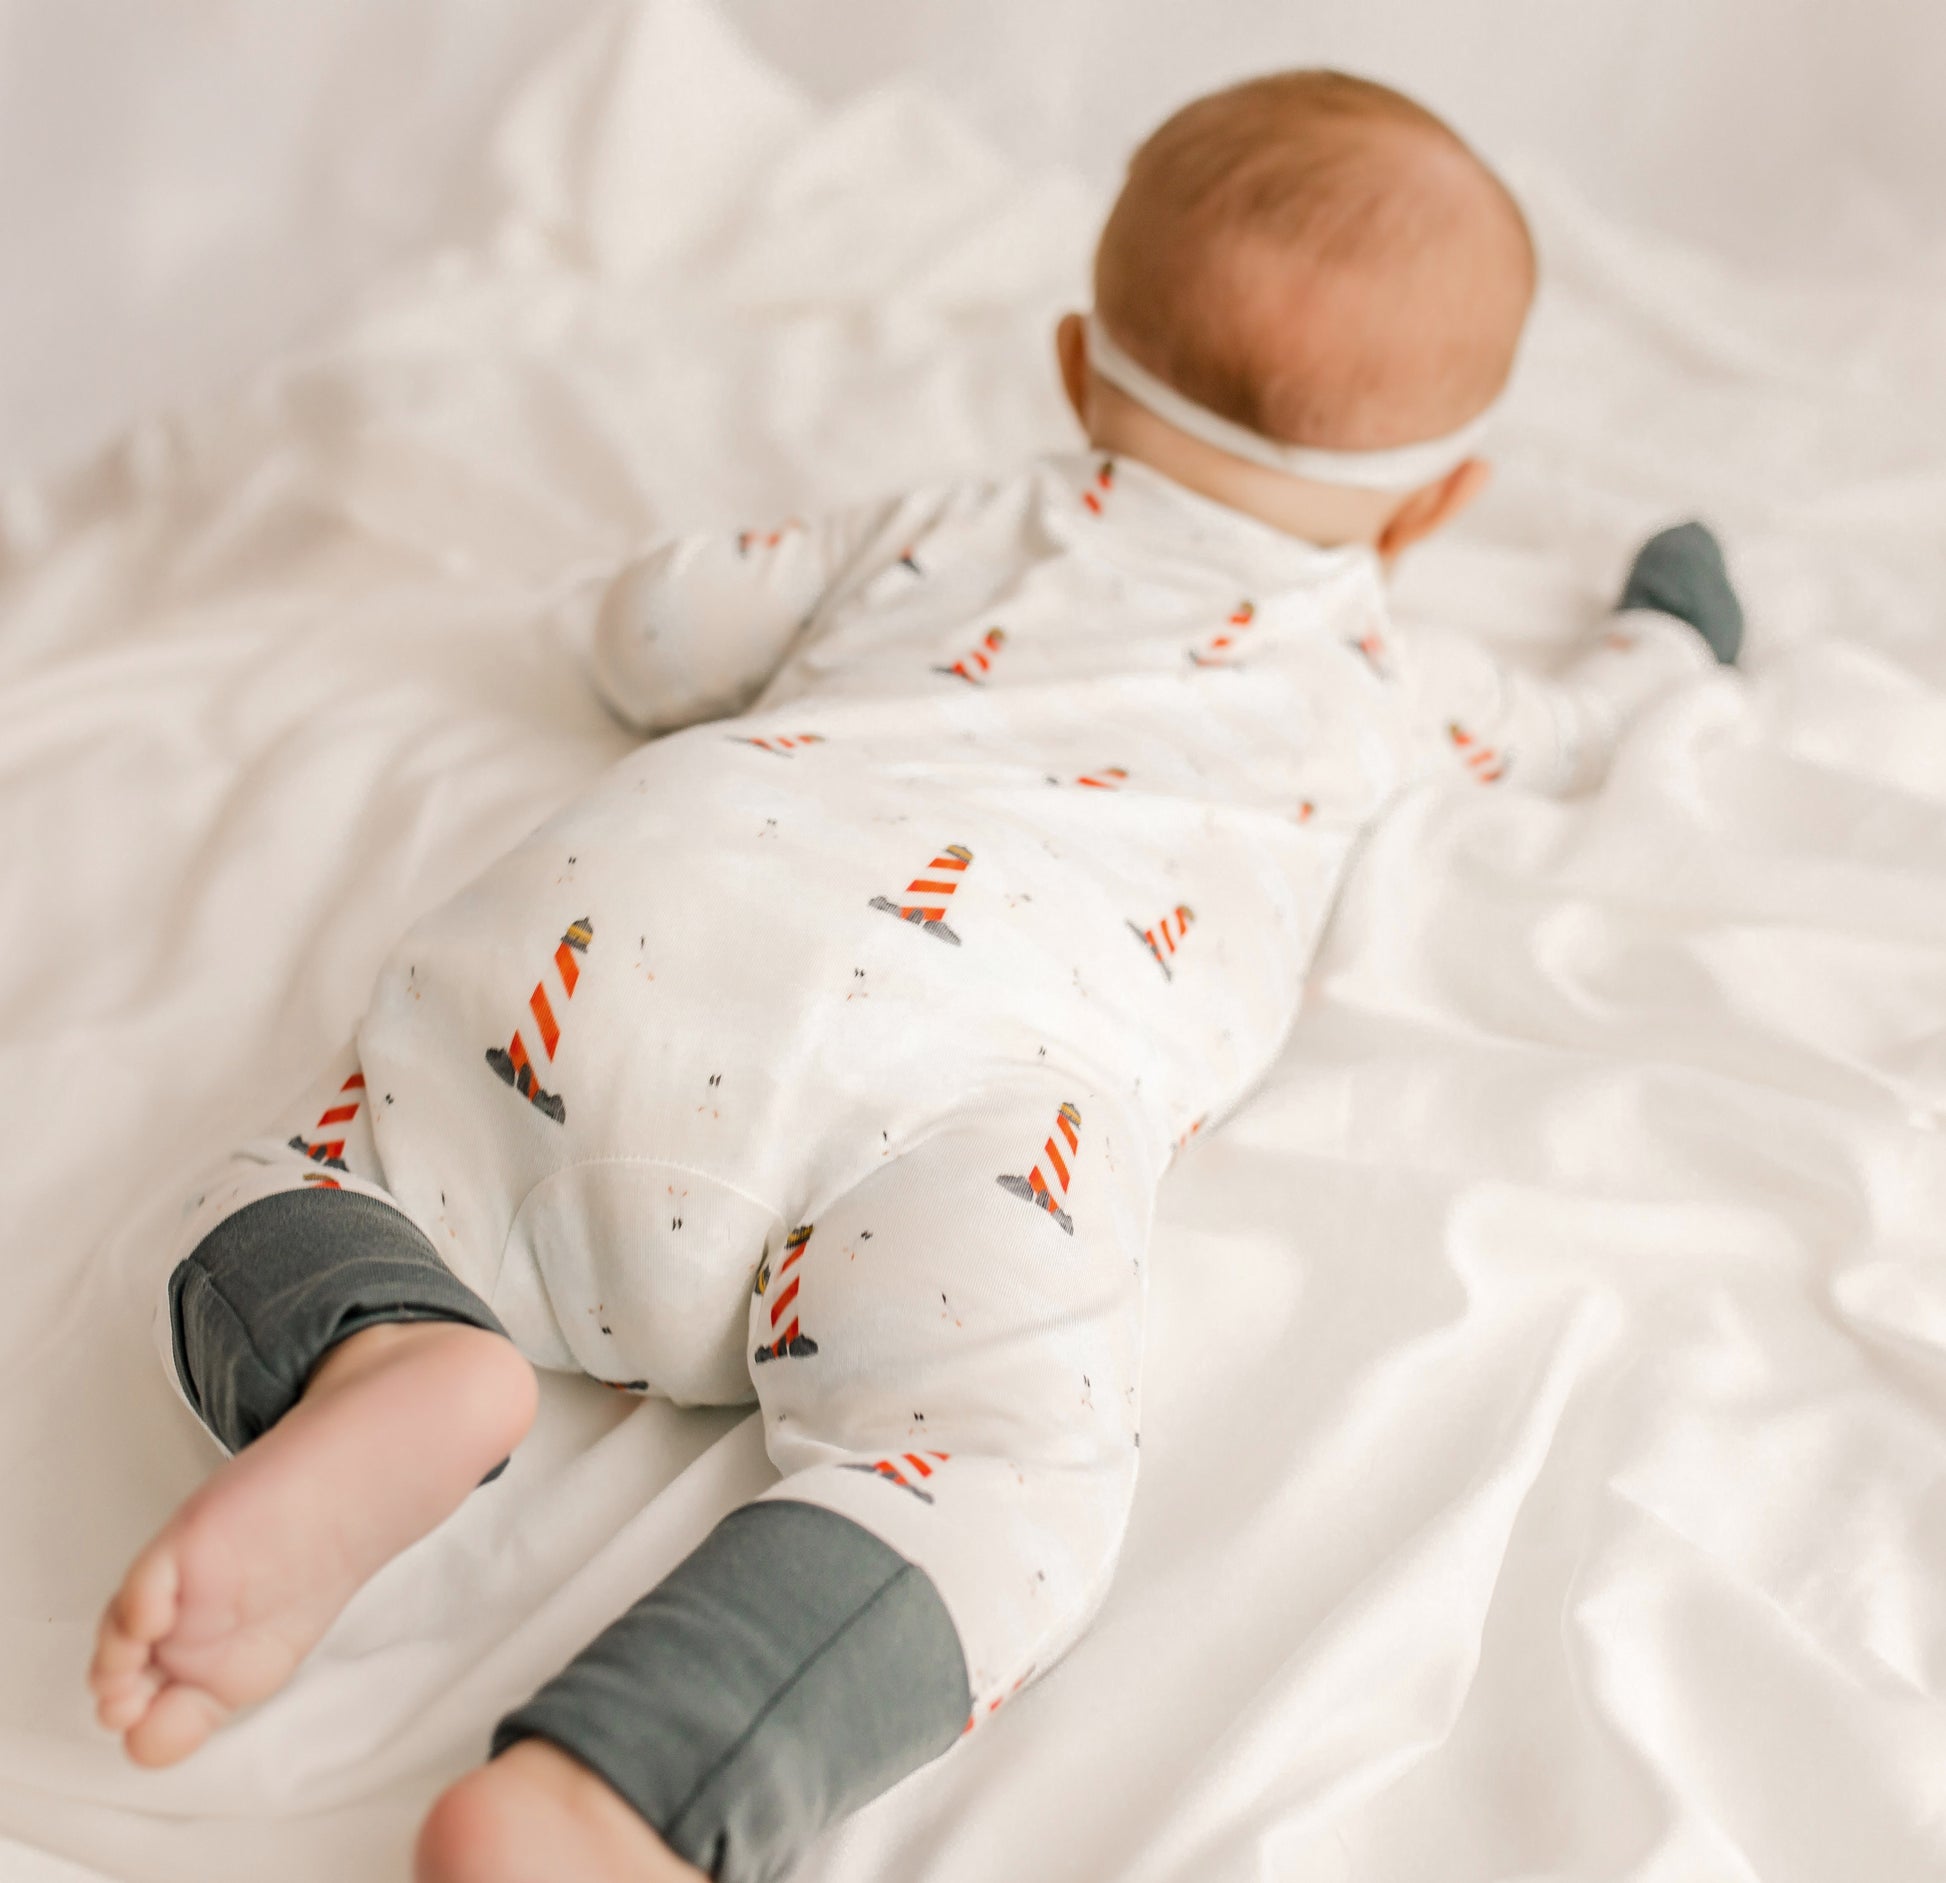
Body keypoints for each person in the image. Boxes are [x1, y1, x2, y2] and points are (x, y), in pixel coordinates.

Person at [88, 69, 1742, 1883]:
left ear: (1073, 369)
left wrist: (641, 623)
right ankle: (621, 1787)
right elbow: (1593, 722)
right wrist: (1671, 616)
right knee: (996, 1476)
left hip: (630, 925)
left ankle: (389, 1350)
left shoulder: (945, 525)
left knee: (274, 1180)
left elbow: (645, 631)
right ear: (1436, 509)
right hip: (973, 1081)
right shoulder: (1385, 682)